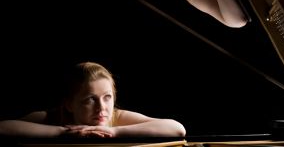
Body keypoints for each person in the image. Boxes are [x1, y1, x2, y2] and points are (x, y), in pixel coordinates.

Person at [0, 61, 186, 138]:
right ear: (69, 104)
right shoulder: (53, 117)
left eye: (107, 97)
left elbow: (177, 129)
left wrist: (114, 132)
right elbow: (3, 127)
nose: (102, 108)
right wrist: (63, 132)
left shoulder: (117, 117)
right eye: (90, 99)